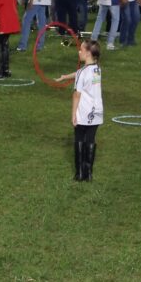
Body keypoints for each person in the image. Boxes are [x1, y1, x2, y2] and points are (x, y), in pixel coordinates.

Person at [55, 40, 103, 181]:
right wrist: (66, 77)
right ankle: (88, 174)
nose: (79, 51)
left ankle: (79, 173)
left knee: (79, 140)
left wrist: (73, 114)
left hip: (84, 111)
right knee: (90, 140)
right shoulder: (97, 69)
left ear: (88, 53)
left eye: (81, 49)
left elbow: (76, 95)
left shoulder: (83, 72)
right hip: (97, 111)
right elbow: (81, 74)